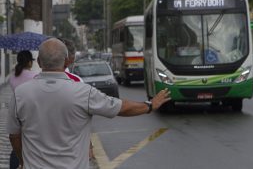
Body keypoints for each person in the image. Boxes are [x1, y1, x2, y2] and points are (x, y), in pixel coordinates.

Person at [6, 38, 170, 169]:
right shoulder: (83, 92)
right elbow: (121, 108)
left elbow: (14, 136)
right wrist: (149, 106)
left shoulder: (20, 94)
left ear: (40, 62)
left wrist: (23, 161)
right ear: (67, 61)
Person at [60, 38, 94, 159]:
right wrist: (89, 145)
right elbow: (83, 117)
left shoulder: (30, 85)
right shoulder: (76, 81)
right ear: (70, 59)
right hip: (71, 149)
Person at [8, 50, 38, 169]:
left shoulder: (12, 77)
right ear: (29, 62)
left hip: (16, 111)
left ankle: (18, 164)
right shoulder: (35, 76)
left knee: (16, 142)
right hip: (31, 114)